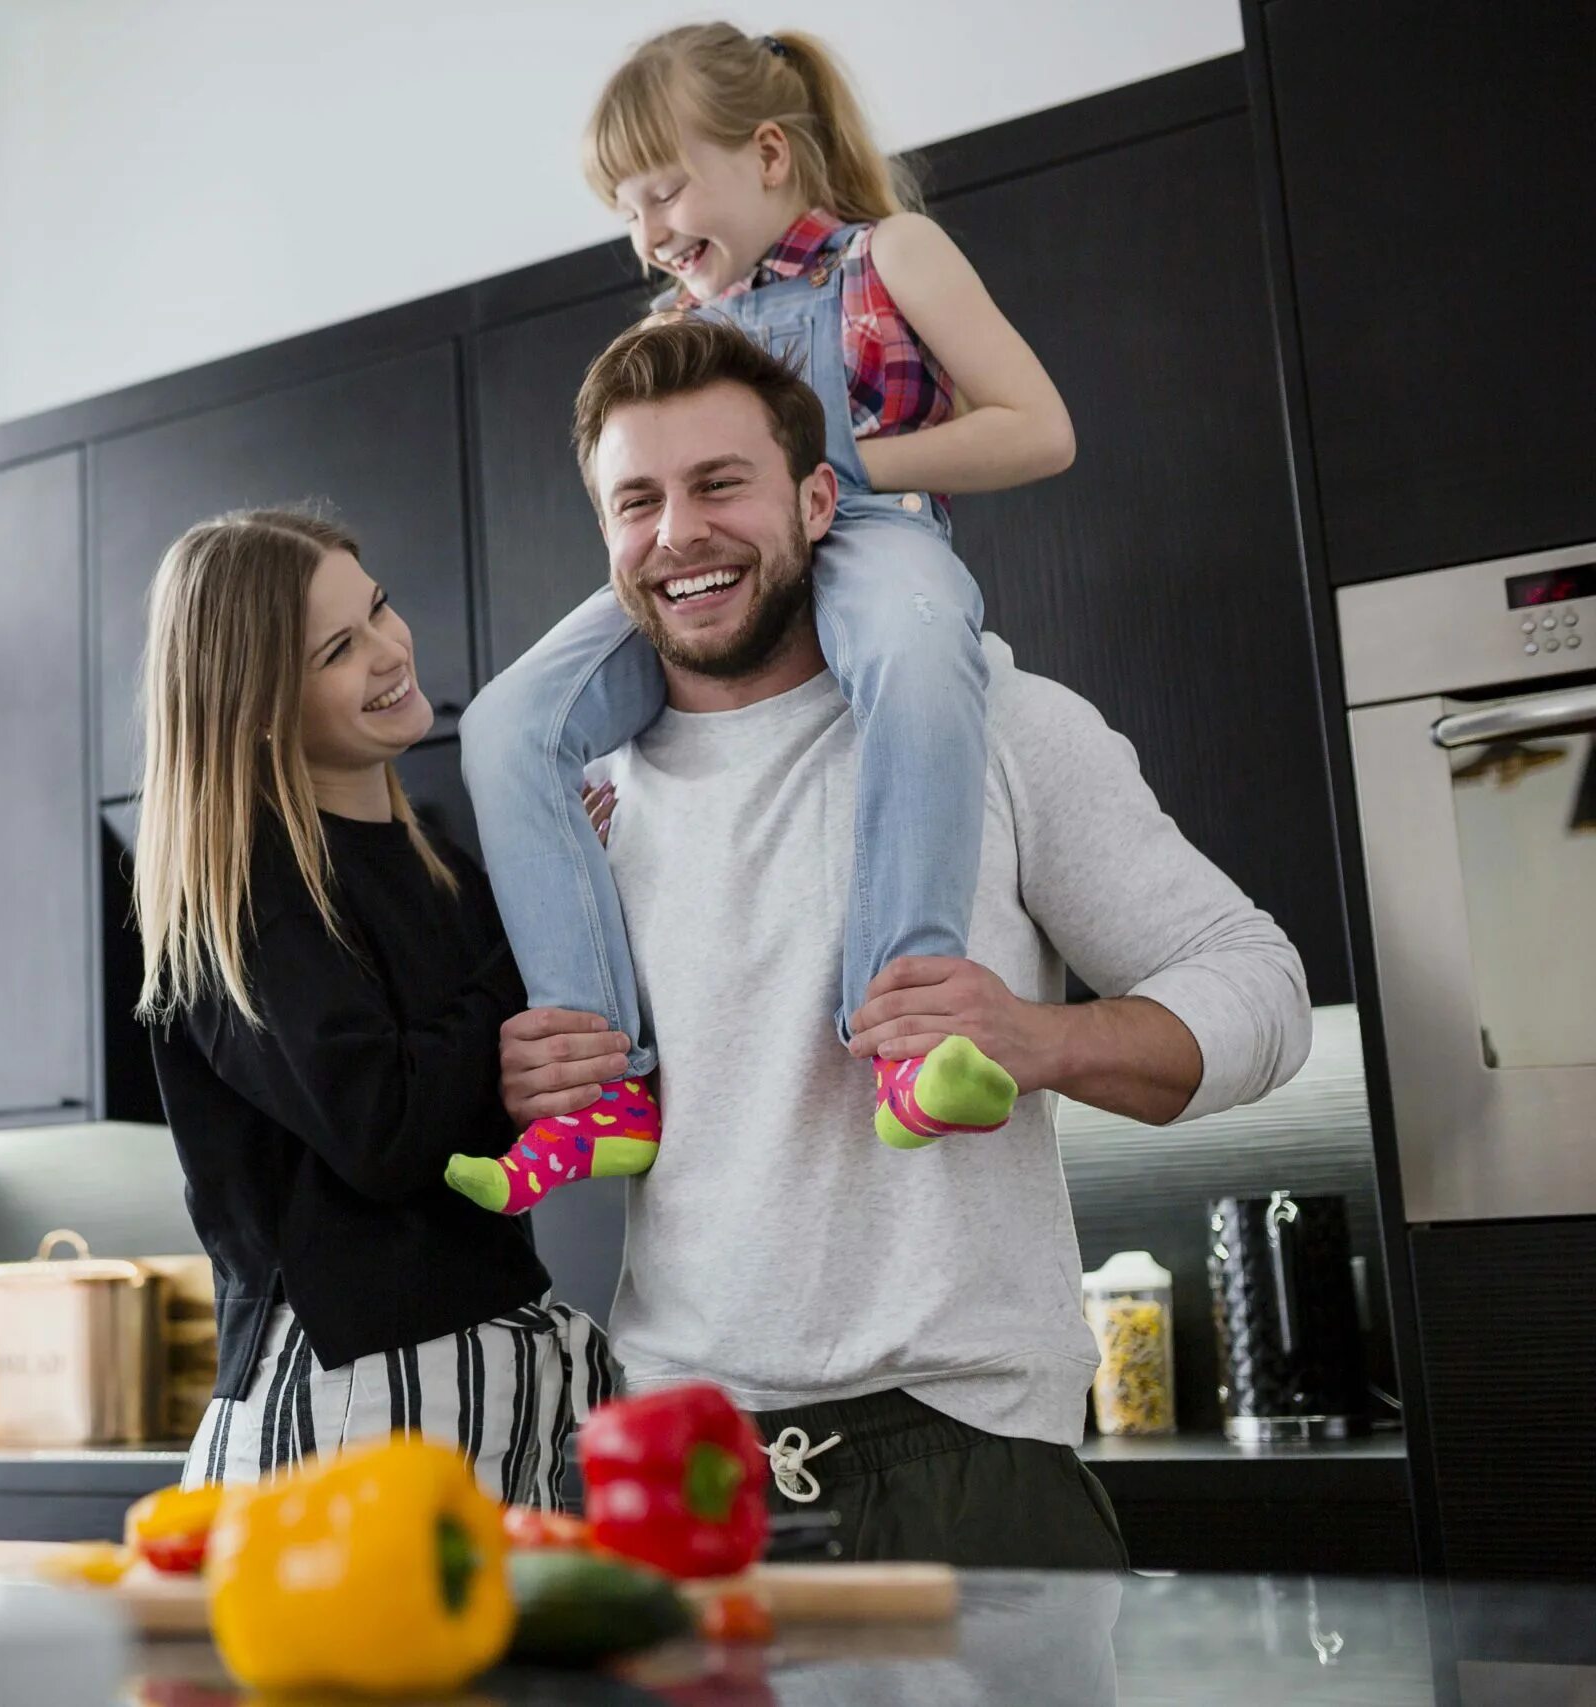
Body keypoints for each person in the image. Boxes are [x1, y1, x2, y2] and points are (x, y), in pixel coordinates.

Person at [505, 312, 1309, 1567]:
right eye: (636, 502)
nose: (679, 535)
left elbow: (1262, 990)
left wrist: (1036, 1037)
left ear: (819, 500)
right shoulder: (587, 803)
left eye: (721, 484)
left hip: (966, 1452)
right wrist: (534, 1077)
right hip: (669, 1459)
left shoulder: (1003, 725)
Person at [449, 24, 1078, 1215]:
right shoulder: (662, 338)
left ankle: (903, 1035)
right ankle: (607, 1088)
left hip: (877, 530)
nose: (647, 233)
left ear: (772, 154)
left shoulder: (891, 254)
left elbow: (1037, 429)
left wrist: (822, 469)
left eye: (664, 189)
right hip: (711, 569)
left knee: (910, 647)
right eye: (626, 210)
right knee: (506, 723)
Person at [131, 507, 618, 1501]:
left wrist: (568, 887)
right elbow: (382, 1127)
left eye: (379, 608)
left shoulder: (438, 862)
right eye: (339, 649)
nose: (390, 651)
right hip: (350, 1403)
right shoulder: (234, 891)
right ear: (258, 704)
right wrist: (531, 941)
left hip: (480, 1376)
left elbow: (480, 1112)